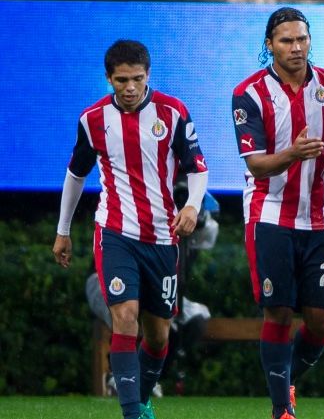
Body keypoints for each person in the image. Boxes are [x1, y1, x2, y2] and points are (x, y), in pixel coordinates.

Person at [52, 39, 209, 419]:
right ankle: (131, 414)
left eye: (137, 79)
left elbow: (197, 168)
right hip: (115, 232)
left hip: (162, 236)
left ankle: (141, 399)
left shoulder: (172, 112)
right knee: (125, 316)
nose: (130, 88)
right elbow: (76, 173)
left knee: (158, 336)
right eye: (121, 80)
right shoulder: (93, 120)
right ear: (109, 78)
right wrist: (63, 231)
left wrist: (191, 205)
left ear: (148, 75)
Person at [231, 7, 324, 419]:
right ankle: (282, 410)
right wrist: (293, 154)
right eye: (286, 41)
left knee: (321, 321)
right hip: (270, 213)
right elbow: (256, 165)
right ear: (269, 46)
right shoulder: (250, 93)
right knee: (277, 311)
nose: (296, 48)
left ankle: (286, 381)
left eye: (302, 39)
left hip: (319, 216)